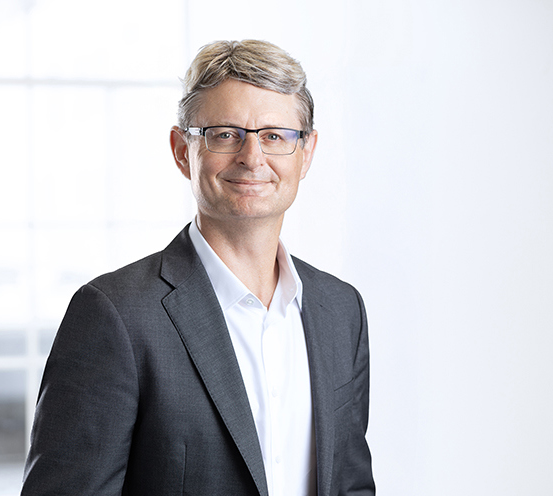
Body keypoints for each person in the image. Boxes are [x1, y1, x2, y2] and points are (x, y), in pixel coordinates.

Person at [21, 39, 374, 496]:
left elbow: (350, 485)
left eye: (275, 135)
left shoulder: (341, 310)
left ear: (306, 153)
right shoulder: (115, 316)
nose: (252, 157)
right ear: (181, 150)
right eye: (225, 134)